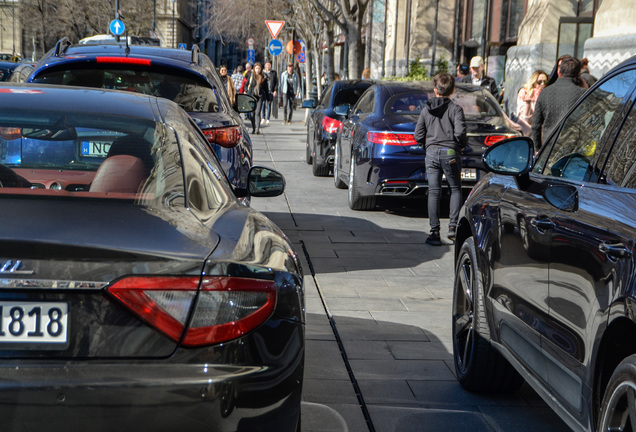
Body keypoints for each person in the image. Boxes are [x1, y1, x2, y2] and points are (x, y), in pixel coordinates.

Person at [414, 72, 466, 246]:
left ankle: (434, 232)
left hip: (432, 152)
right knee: (455, 189)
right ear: (452, 91)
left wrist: (427, 146)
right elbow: (460, 133)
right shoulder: (455, 109)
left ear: (435, 90)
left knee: (434, 191)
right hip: (450, 152)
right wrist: (460, 145)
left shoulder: (426, 110)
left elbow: (418, 134)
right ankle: (453, 227)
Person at [531, 56, 586, 150]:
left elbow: (536, 125)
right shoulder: (582, 94)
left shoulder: (544, 93)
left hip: (548, 148)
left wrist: (537, 149)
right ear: (578, 74)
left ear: (559, 72)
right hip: (572, 148)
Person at [515, 69, 548, 136]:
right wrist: (528, 104)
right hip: (529, 133)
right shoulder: (526, 94)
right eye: (539, 82)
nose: (542, 84)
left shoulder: (547, 95)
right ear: (534, 82)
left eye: (545, 82)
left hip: (543, 133)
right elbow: (524, 119)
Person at [243, 62, 269, 134]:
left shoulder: (263, 77)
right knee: (252, 114)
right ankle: (254, 128)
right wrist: (246, 90)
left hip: (259, 97)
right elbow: (246, 84)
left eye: (259, 68)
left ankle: (257, 129)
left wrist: (268, 98)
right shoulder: (251, 76)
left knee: (257, 113)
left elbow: (266, 89)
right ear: (254, 69)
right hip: (251, 96)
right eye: (256, 68)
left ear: (261, 69)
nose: (258, 70)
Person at [261, 61, 278, 126]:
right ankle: (263, 118)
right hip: (263, 91)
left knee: (269, 104)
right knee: (263, 104)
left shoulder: (273, 73)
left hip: (270, 91)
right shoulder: (262, 72)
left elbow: (276, 82)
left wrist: (275, 90)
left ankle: (268, 118)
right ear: (265, 65)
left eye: (269, 65)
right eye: (267, 65)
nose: (268, 66)